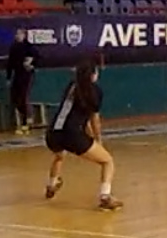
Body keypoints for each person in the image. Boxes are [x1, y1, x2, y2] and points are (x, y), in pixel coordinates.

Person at [45, 60, 124, 210]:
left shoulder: (71, 86)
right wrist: (98, 139)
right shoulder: (94, 91)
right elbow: (94, 119)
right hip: (72, 135)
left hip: (53, 133)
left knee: (59, 155)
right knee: (107, 161)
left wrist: (88, 134)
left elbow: (80, 116)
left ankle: (52, 183)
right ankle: (105, 196)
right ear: (93, 75)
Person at [5, 28, 37, 134]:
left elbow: (37, 58)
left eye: (19, 34)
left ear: (24, 35)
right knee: (15, 99)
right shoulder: (13, 47)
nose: (17, 35)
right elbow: (10, 63)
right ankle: (26, 117)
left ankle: (26, 122)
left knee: (24, 97)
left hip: (27, 76)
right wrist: (8, 77)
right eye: (16, 33)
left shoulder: (29, 47)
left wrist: (31, 64)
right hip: (17, 75)